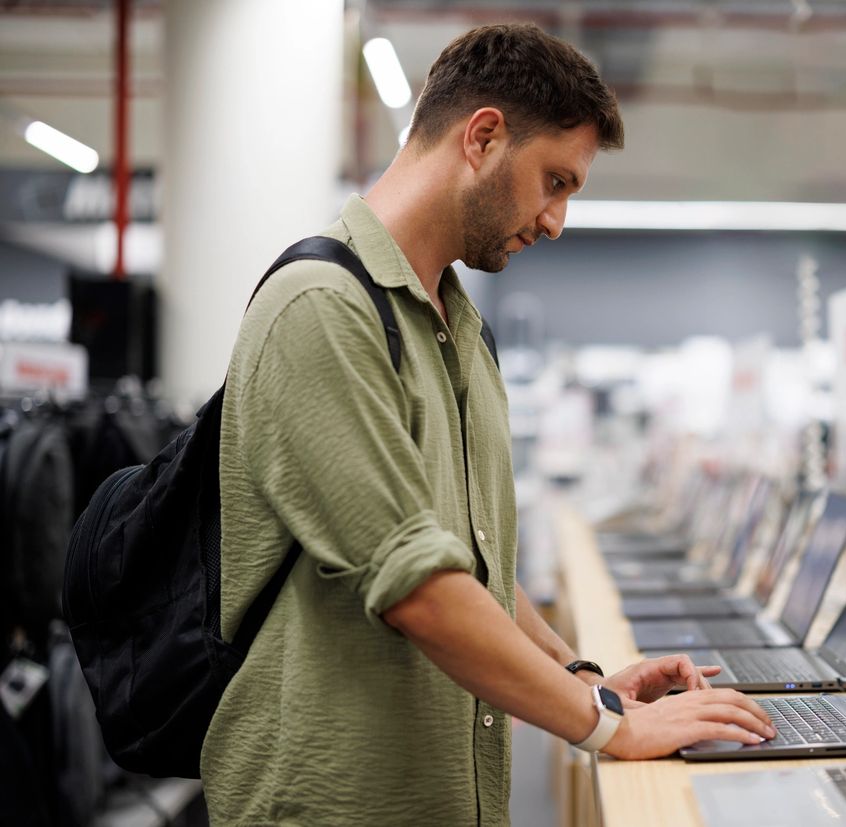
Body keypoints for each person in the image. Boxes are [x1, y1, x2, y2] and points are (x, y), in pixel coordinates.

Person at [203, 22, 774, 825]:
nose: (555, 221)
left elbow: (474, 564)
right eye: (554, 181)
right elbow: (423, 590)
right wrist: (611, 727)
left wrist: (584, 678)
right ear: (482, 138)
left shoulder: (460, 329)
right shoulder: (322, 308)